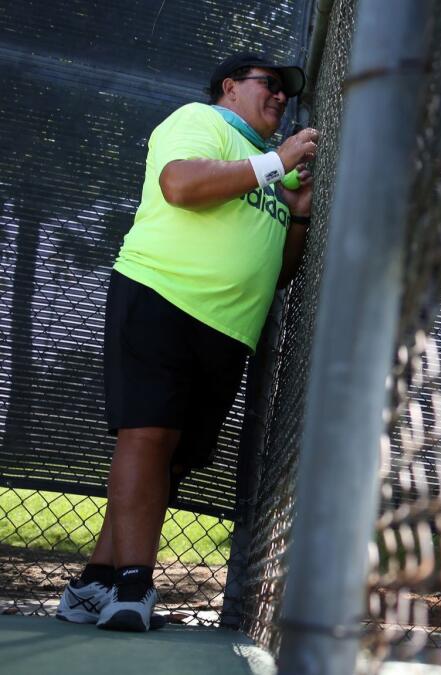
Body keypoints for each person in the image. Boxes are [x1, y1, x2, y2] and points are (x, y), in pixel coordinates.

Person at [54, 52, 319, 632]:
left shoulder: (270, 171)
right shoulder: (203, 122)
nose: (279, 97)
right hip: (161, 294)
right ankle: (134, 589)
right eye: (268, 85)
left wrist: (297, 214)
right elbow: (179, 185)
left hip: (227, 329)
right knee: (147, 435)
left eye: (285, 92)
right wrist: (277, 162)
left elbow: (277, 272)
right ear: (230, 87)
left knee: (174, 460)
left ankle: (93, 584)